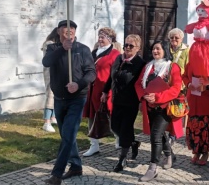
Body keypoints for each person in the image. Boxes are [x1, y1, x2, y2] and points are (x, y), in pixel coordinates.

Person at [42, 20, 96, 185]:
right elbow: (46, 62)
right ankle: (76, 166)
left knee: (68, 135)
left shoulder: (83, 49)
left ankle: (57, 174)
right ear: (59, 31)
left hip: (77, 99)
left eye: (72, 28)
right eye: (65, 28)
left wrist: (78, 84)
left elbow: (91, 73)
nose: (69, 30)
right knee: (66, 135)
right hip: (59, 99)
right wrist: (61, 49)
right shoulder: (52, 48)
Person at [135, 41, 184, 182]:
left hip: (165, 107)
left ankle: (152, 168)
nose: (155, 51)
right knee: (160, 134)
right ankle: (169, 155)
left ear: (165, 50)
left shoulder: (172, 67)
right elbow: (138, 83)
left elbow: (175, 88)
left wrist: (157, 96)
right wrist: (143, 95)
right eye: (153, 49)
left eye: (158, 48)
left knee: (155, 136)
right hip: (149, 107)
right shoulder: (148, 66)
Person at [102, 34, 146, 172]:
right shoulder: (118, 59)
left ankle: (122, 159)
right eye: (126, 45)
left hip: (131, 102)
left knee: (126, 128)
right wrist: (105, 92)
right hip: (117, 99)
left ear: (137, 48)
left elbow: (142, 84)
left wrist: (141, 100)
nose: (127, 48)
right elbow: (111, 77)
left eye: (130, 46)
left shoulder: (140, 64)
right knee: (115, 127)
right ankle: (133, 142)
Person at [82, 27, 121, 157]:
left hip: (106, 91)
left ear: (110, 39)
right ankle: (94, 145)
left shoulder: (115, 54)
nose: (100, 39)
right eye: (99, 36)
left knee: (110, 116)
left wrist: (107, 91)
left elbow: (114, 75)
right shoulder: (94, 53)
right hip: (92, 90)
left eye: (102, 37)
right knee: (92, 117)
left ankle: (118, 138)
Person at [167, 28, 190, 148]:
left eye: (176, 37)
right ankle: (169, 131)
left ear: (182, 39)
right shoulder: (167, 50)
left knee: (178, 109)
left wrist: (187, 83)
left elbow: (189, 66)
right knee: (168, 108)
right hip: (167, 84)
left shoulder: (186, 50)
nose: (174, 40)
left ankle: (174, 134)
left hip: (180, 85)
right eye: (172, 38)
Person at [41, 28, 59, 133]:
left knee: (56, 94)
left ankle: (53, 117)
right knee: (50, 95)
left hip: (57, 71)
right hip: (50, 72)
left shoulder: (55, 43)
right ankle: (46, 121)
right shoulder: (49, 44)